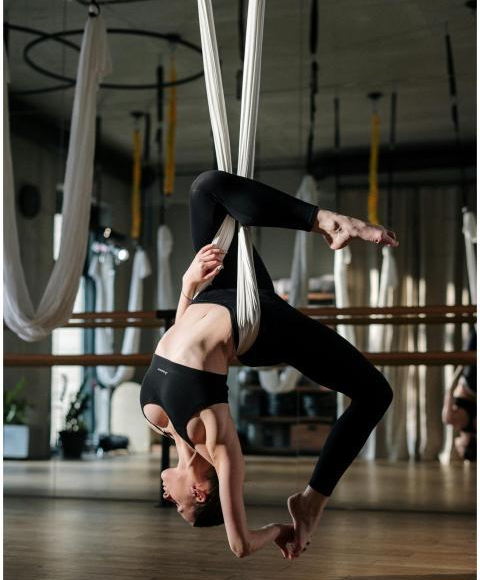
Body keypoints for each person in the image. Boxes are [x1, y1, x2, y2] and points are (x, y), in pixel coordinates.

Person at [140, 170, 398, 559]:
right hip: (258, 323)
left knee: (206, 189)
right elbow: (240, 545)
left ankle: (328, 221)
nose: (168, 500)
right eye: (180, 506)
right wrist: (279, 529)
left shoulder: (155, 419)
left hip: (214, 291)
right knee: (376, 393)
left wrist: (187, 288)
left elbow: (177, 339)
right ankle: (311, 502)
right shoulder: (218, 442)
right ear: (199, 491)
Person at [442, 328, 477, 461]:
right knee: (475, 333)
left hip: (472, 384)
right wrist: (461, 366)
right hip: (469, 381)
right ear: (466, 445)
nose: (457, 449)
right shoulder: (450, 419)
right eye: (461, 451)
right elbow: (449, 390)